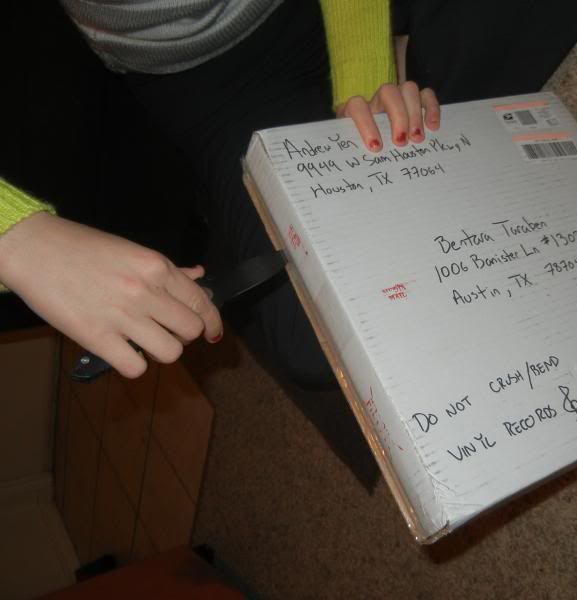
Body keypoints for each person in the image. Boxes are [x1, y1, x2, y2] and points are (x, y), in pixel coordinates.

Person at [0, 0, 439, 384]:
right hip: (201, 75)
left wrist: (366, 82)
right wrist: (16, 239)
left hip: (312, 12)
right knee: (325, 343)